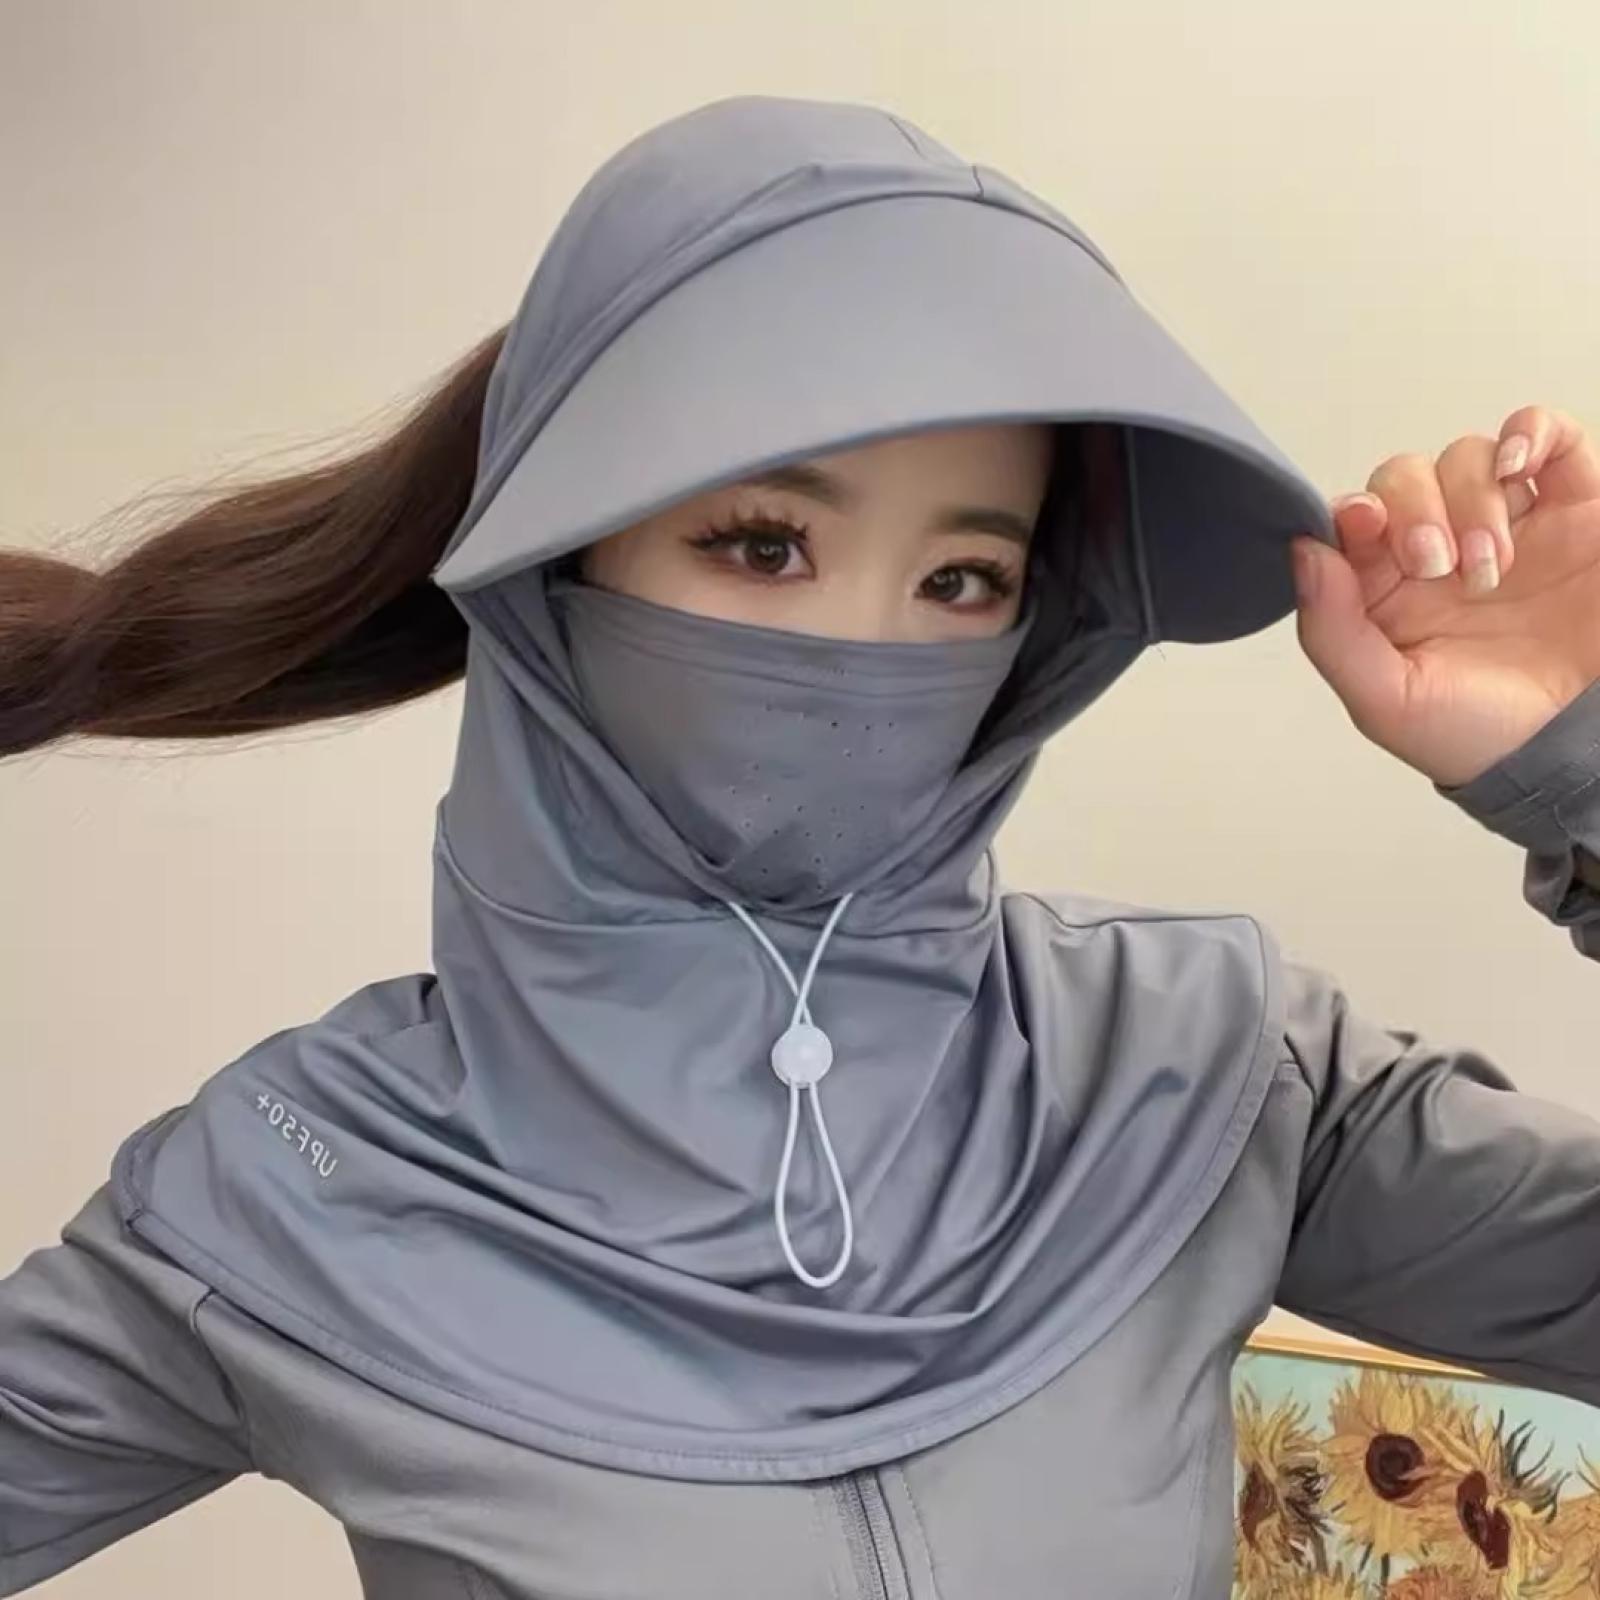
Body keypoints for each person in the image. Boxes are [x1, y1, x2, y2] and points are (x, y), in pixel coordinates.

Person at [2, 92, 1598, 1600]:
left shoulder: (1202, 1070)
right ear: (559, 572)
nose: (864, 653)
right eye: (764, 545)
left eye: (962, 580)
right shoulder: (308, 1187)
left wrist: (1575, 767)